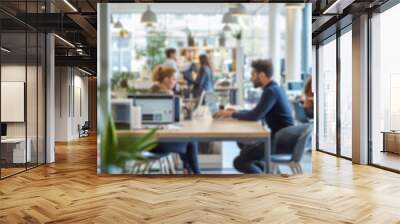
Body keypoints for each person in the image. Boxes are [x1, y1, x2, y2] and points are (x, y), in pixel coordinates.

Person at [213, 59, 294, 174]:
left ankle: (263, 183)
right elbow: (258, 112)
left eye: (253, 74)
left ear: (261, 75)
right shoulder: (274, 88)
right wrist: (237, 111)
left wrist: (231, 114)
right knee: (242, 143)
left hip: (280, 142)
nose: (251, 78)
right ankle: (268, 172)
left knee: (240, 162)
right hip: (283, 139)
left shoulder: (270, 91)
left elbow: (255, 116)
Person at [150, 65, 200, 174]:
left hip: (159, 137)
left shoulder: (161, 91)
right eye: (173, 79)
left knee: (190, 140)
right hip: (158, 142)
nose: (175, 82)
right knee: (191, 141)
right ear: (166, 79)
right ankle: (195, 173)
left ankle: (190, 171)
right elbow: (174, 117)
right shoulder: (162, 95)